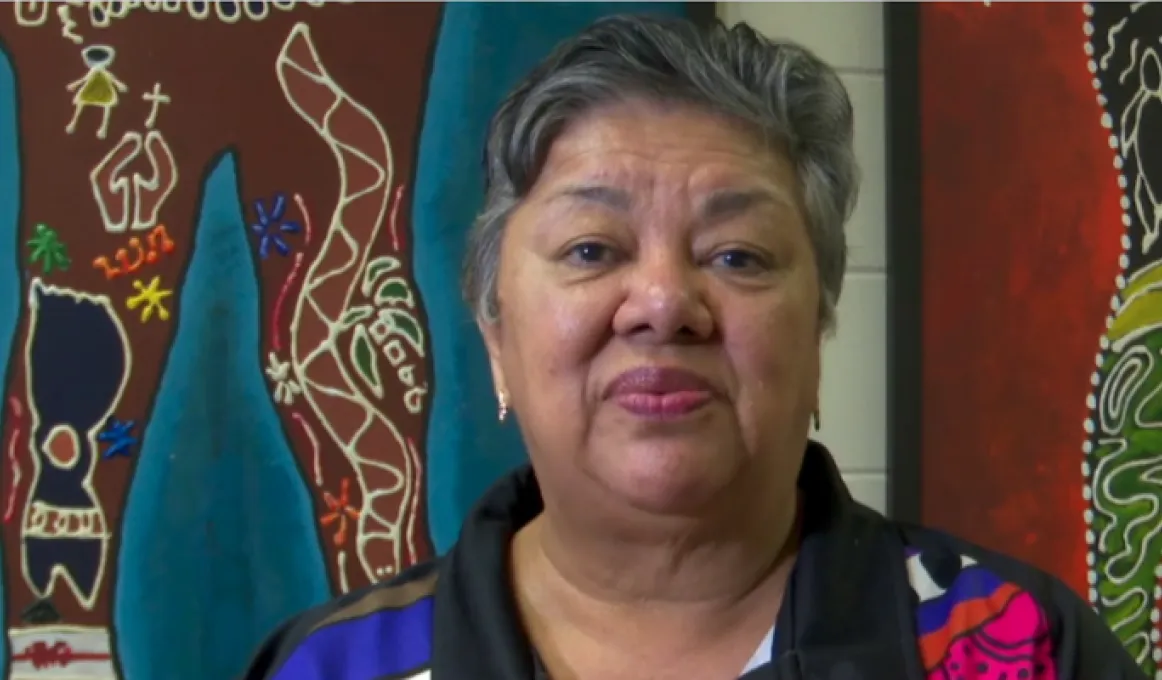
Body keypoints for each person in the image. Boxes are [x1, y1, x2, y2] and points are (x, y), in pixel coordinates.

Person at [240, 14, 1145, 680]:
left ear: (819, 330)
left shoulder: (1020, 648)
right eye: (593, 249)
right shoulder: (330, 668)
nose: (667, 303)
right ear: (496, 337)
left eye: (737, 255)